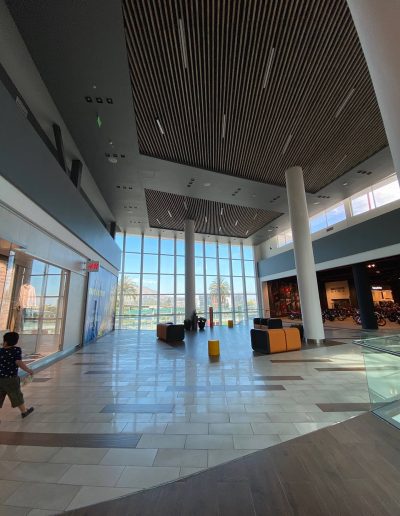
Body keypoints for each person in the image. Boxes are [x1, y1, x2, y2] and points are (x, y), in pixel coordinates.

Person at [0, 332, 34, 418]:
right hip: (11, 379)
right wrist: (28, 370)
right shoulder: (16, 350)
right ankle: (24, 411)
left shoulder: (0, 351)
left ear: (5, 341)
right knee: (16, 395)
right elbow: (18, 362)